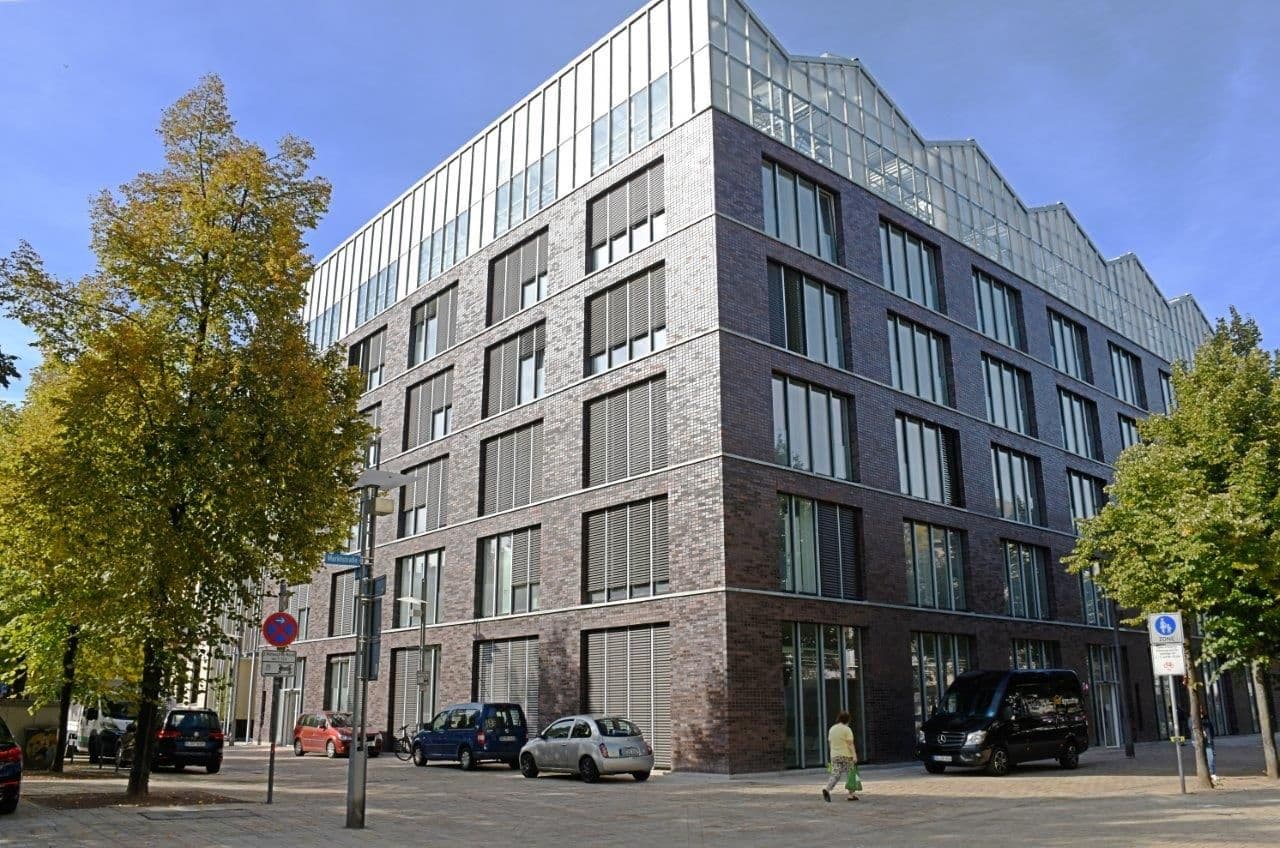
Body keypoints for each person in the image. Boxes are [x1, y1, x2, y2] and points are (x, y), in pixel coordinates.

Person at [822, 711, 859, 803]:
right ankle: (851, 795)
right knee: (851, 775)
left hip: (834, 755)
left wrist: (832, 755)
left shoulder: (832, 729)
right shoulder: (847, 729)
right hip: (846, 755)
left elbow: (830, 743)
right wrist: (854, 755)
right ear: (847, 720)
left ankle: (827, 788)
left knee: (835, 774)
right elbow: (850, 744)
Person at [1199, 705, 1218, 786]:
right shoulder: (1194, 719)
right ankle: (1209, 773)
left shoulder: (1206, 718)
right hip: (1201, 741)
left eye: (1201, 709)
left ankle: (1212, 773)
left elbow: (1210, 728)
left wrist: (1212, 738)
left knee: (1211, 757)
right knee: (1205, 758)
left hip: (1208, 740)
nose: (1201, 711)